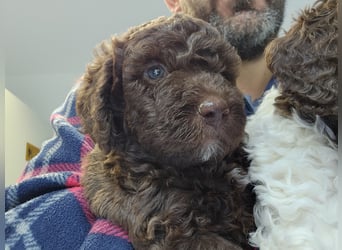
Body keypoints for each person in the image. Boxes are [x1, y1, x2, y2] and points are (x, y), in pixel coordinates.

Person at [5, 1, 286, 249]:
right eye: (155, 73)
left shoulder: (317, 92)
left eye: (219, 72)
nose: (213, 102)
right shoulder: (97, 98)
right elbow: (17, 229)